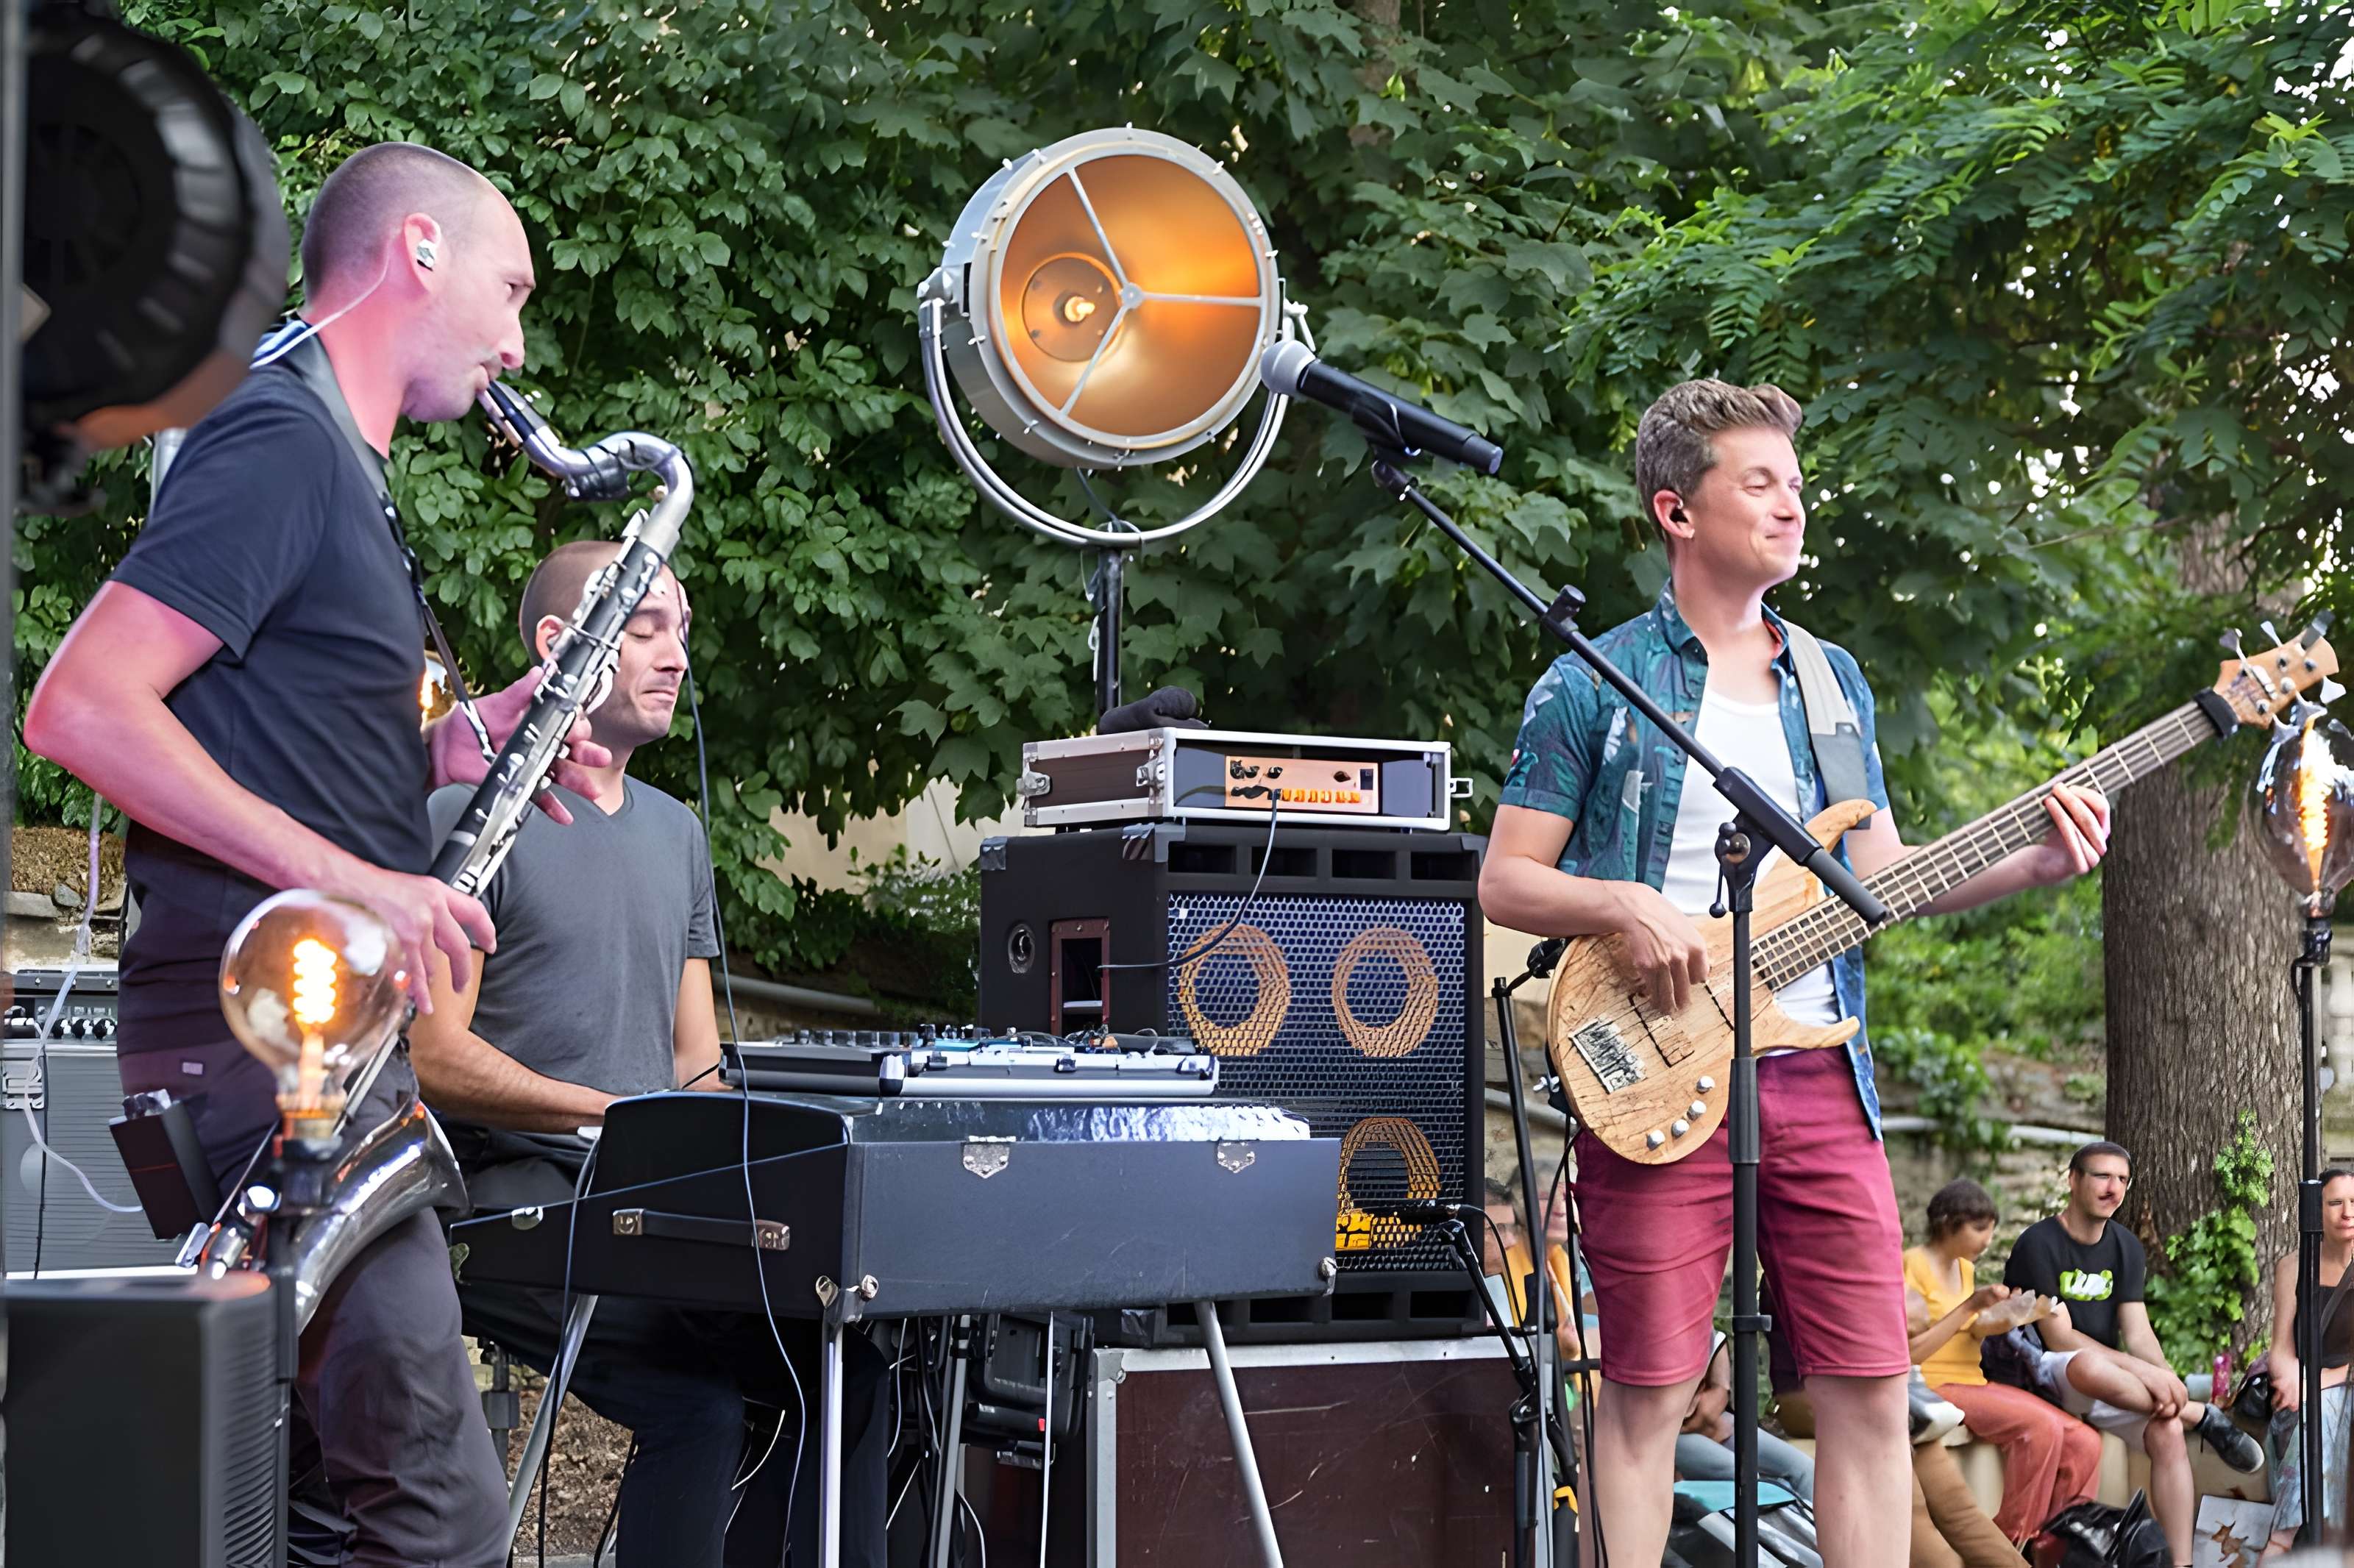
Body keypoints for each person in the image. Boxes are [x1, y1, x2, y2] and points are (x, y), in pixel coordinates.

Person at [21, 141, 605, 1567]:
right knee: (442, 1522)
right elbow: (79, 705)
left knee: (308, 1517)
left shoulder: (335, 462)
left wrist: (465, 741)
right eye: (512, 289)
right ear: (418, 250)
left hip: (305, 1045)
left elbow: (287, 743)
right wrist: (355, 879)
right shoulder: (281, 438)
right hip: (272, 1049)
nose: (519, 343)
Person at [1480, 379, 2113, 1568]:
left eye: (1797, 485)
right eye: (1760, 482)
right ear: (1677, 510)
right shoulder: (1593, 681)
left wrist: (2031, 862)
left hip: (1819, 1070)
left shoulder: (1832, 683)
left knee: (1871, 1393)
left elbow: (1883, 877)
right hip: (1656, 1071)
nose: (1792, 505)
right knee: (1650, 1393)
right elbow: (1507, 880)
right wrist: (1622, 903)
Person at [410, 543, 890, 1568]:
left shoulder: (678, 835)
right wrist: (609, 1114)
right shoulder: (472, 815)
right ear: (561, 644)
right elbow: (433, 1056)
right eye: (645, 629)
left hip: (649, 1204)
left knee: (850, 1372)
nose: (676, 656)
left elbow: (695, 1065)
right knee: (699, 1404)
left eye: (681, 630)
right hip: (509, 1199)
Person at [2005, 1140, 2266, 1566]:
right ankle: (2202, 1416)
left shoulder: (2125, 1246)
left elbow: (2139, 1333)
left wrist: (2166, 1377)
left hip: (2105, 1384)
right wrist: (2144, 1374)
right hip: (2041, 1373)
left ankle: (2182, 1563)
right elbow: (2059, 1339)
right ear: (2073, 1180)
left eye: (2122, 1180)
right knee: (2088, 1364)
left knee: (2167, 1430)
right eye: (2102, 1176)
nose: (2114, 1188)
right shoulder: (2038, 1243)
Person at [1904, 1178, 2099, 1542]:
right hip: (1931, 1384)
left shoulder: (1964, 1269)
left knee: (2085, 1443)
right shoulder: (1911, 1265)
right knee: (2040, 1427)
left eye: (1991, 1231)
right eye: (1980, 1229)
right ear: (1947, 1223)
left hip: (1973, 1382)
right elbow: (1909, 1354)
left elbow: (1968, 1332)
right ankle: (2009, 1545)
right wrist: (1970, 1306)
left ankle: (2055, 1546)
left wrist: (2008, 1316)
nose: (1987, 1241)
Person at [2258, 1167, 2354, 1557]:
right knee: (2312, 1417)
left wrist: (2317, 1383)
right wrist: (2290, 1381)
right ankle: (2290, 1542)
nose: (2347, 1212)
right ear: (2317, 1210)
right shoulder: (2294, 1266)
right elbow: (2281, 1346)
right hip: (2301, 1391)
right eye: (2335, 1203)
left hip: (2336, 1387)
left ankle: (2281, 1542)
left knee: (2326, 1411)